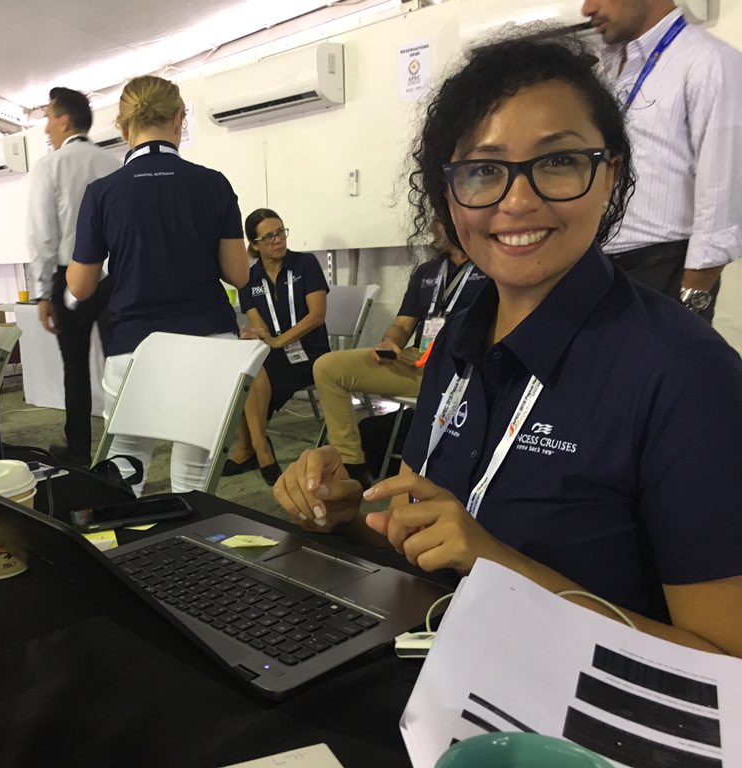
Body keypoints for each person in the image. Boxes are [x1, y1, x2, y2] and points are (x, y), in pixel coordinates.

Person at [273, 32, 742, 656]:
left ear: (610, 178)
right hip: (433, 671)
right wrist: (349, 511)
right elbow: (421, 532)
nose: (518, 201)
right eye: (484, 170)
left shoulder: (685, 375)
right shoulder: (465, 334)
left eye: (557, 162)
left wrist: (499, 566)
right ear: (450, 194)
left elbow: (725, 663)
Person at [67, 74, 250, 493]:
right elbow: (239, 275)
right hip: (209, 343)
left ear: (122, 125)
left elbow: (80, 287)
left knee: (127, 470)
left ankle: (128, 554)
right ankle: (194, 552)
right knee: (193, 476)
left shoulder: (101, 193)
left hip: (135, 346)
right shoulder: (214, 183)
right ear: (180, 118)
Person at [581, 0, 742, 320]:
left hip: (661, 272)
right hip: (597, 266)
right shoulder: (608, 66)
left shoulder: (711, 63)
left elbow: (723, 203)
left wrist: (690, 302)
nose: (587, 8)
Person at [312, 222, 488, 487]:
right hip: (417, 360)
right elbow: (403, 325)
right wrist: (389, 343)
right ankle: (352, 465)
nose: (431, 227)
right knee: (327, 367)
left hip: (460, 367)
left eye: (439, 221)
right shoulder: (427, 272)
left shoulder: (490, 269)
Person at [27, 87, 121, 466]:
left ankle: (79, 449)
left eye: (49, 118)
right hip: (115, 275)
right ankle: (123, 447)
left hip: (71, 276)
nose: (46, 128)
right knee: (118, 363)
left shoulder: (50, 166)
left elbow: (41, 233)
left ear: (64, 120)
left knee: (76, 367)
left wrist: (42, 292)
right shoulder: (115, 163)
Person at [222, 209, 329, 486]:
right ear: (254, 244)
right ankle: (255, 447)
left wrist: (279, 341)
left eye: (281, 232)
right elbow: (260, 328)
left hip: (311, 352)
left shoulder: (305, 264)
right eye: (269, 237)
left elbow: (317, 315)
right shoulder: (249, 278)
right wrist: (256, 337)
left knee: (256, 369)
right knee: (245, 363)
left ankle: (255, 450)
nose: (278, 240)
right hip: (276, 355)